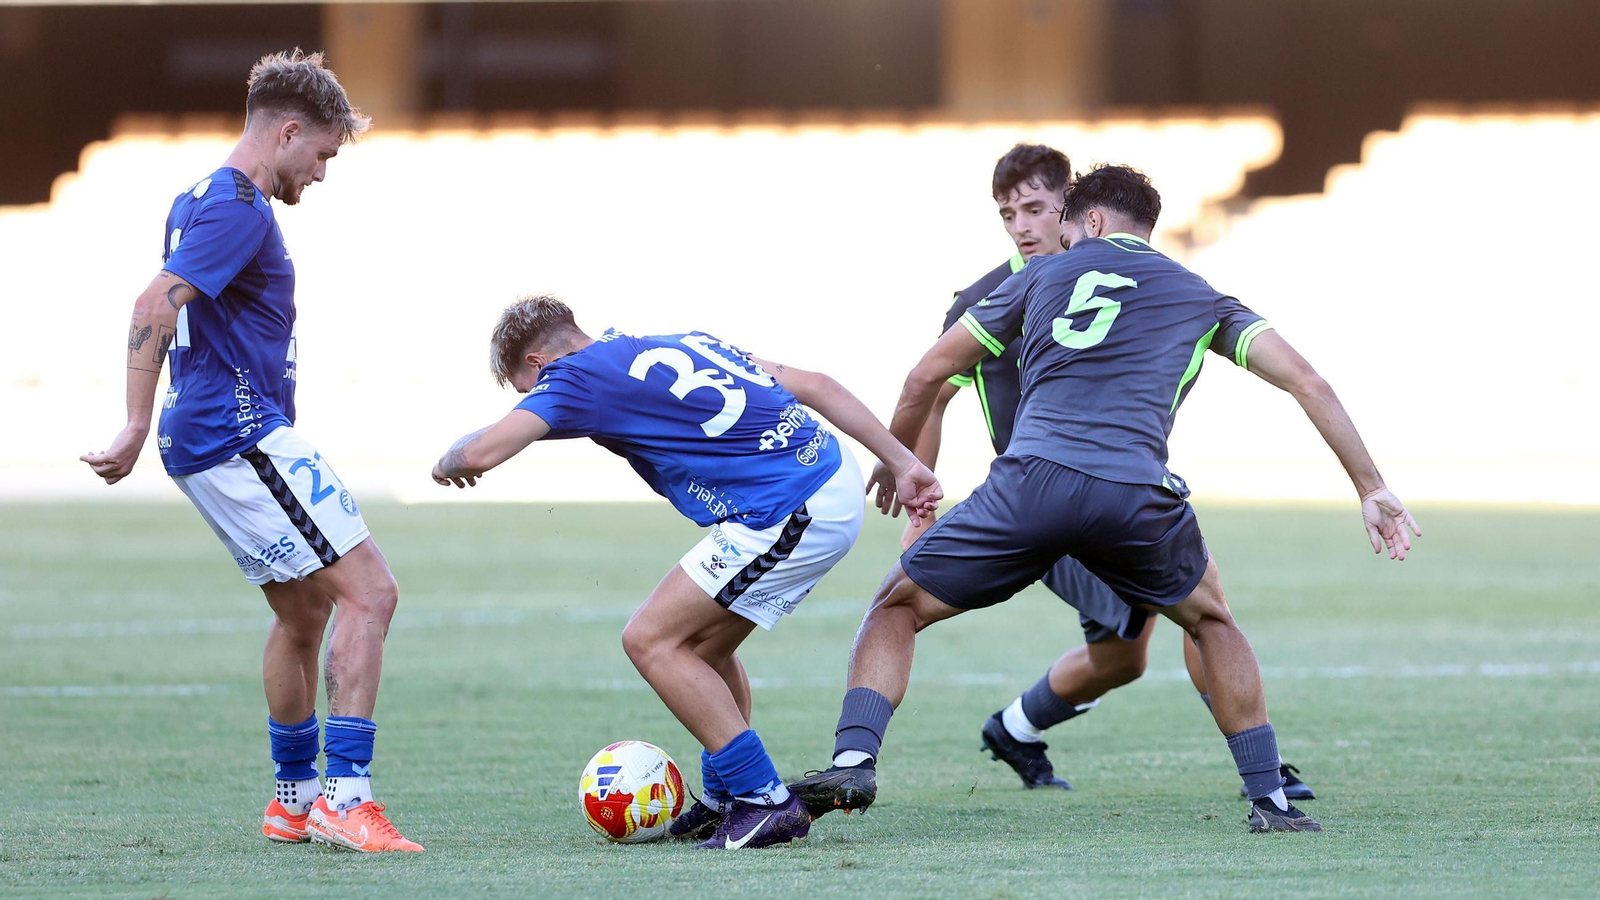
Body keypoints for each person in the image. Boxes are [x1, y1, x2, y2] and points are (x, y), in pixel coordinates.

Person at [791, 164, 1420, 833]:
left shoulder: (1034, 276)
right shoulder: (1203, 295)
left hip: (1027, 487)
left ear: (1087, 221)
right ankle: (1269, 798)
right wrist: (1371, 486)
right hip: (1135, 495)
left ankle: (855, 759)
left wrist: (898, 462)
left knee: (896, 607)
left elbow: (926, 375)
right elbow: (1308, 381)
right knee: (1211, 622)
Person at [431, 296, 940, 849]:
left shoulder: (571, 376)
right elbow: (816, 384)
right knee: (702, 649)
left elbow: (481, 453)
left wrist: (445, 461)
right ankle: (726, 798)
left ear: (537, 363)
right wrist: (903, 460)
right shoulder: (673, 343)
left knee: (650, 640)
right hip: (820, 475)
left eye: (530, 392)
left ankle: (764, 800)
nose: (542, 403)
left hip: (790, 505)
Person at [80, 50, 422, 853]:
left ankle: (294, 798)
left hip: (207, 433)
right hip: (236, 431)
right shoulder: (242, 207)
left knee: (303, 610)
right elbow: (154, 301)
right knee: (371, 593)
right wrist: (132, 419)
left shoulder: (196, 196)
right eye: (325, 155)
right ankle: (347, 797)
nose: (323, 174)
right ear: (290, 130)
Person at [907, 144, 1314, 800]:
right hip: (1033, 500)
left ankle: (1013, 729)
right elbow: (932, 392)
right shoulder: (984, 297)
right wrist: (919, 494)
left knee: (1123, 658)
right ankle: (1263, 773)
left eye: (1037, 209)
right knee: (1198, 606)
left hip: (1103, 486)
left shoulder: (1106, 278)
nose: (1022, 226)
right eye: (1008, 214)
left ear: (1075, 211)